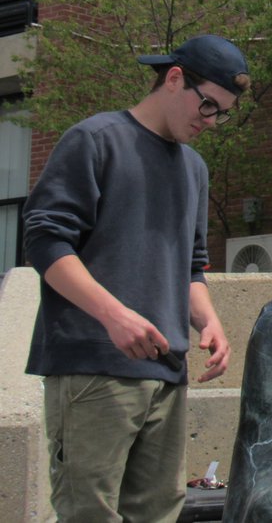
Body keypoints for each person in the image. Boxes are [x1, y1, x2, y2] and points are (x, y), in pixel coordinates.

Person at [24, 34, 250, 523]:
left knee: (159, 513)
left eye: (221, 113)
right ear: (174, 79)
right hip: (92, 368)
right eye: (207, 105)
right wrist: (115, 316)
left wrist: (208, 320)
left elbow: (191, 263)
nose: (210, 121)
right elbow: (44, 241)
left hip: (167, 371)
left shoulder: (194, 168)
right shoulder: (95, 139)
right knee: (90, 513)